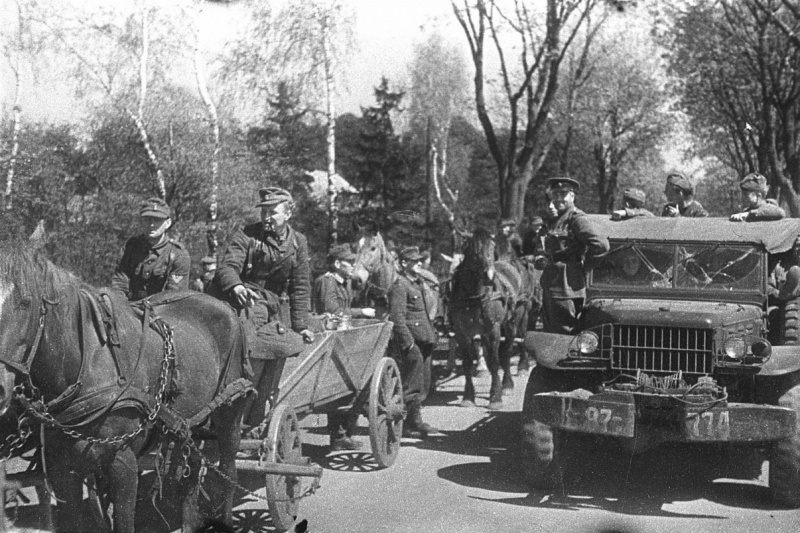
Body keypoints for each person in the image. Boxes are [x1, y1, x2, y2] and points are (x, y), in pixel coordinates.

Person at [213, 186, 314, 430]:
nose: (267, 217)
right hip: (242, 301)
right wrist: (236, 285)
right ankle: (234, 408)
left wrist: (301, 325)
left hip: (272, 305)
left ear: (288, 214)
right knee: (247, 348)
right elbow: (227, 266)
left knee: (279, 347)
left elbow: (300, 287)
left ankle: (254, 412)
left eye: (273, 212)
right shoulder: (247, 235)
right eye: (264, 212)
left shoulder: (298, 242)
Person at [313, 244, 376, 451]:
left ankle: (342, 435)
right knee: (338, 387)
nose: (353, 265)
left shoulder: (343, 282)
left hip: (341, 339)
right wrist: (361, 312)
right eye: (349, 262)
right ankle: (339, 435)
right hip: (329, 340)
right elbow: (332, 310)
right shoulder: (327, 282)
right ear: (337, 264)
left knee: (347, 387)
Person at [538, 177, 610, 334]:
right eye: (555, 194)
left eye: (563, 194)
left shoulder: (576, 218)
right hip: (553, 284)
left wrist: (584, 267)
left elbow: (601, 245)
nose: (558, 199)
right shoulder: (557, 219)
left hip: (566, 286)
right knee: (551, 332)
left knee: (564, 333)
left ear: (572, 196)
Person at [389, 246, 439, 438]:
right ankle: (404, 425)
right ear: (404, 263)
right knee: (412, 385)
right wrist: (409, 344)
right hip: (413, 342)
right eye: (414, 260)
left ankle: (415, 421)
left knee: (423, 384)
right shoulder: (400, 285)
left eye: (420, 260)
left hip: (424, 340)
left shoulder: (418, 283)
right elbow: (397, 318)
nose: (419, 263)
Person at [111, 197, 190, 301]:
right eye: (147, 219)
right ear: (141, 222)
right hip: (130, 307)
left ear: (168, 223)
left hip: (163, 308)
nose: (151, 224)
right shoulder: (130, 248)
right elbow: (119, 284)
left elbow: (174, 295)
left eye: (157, 220)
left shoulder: (178, 254)